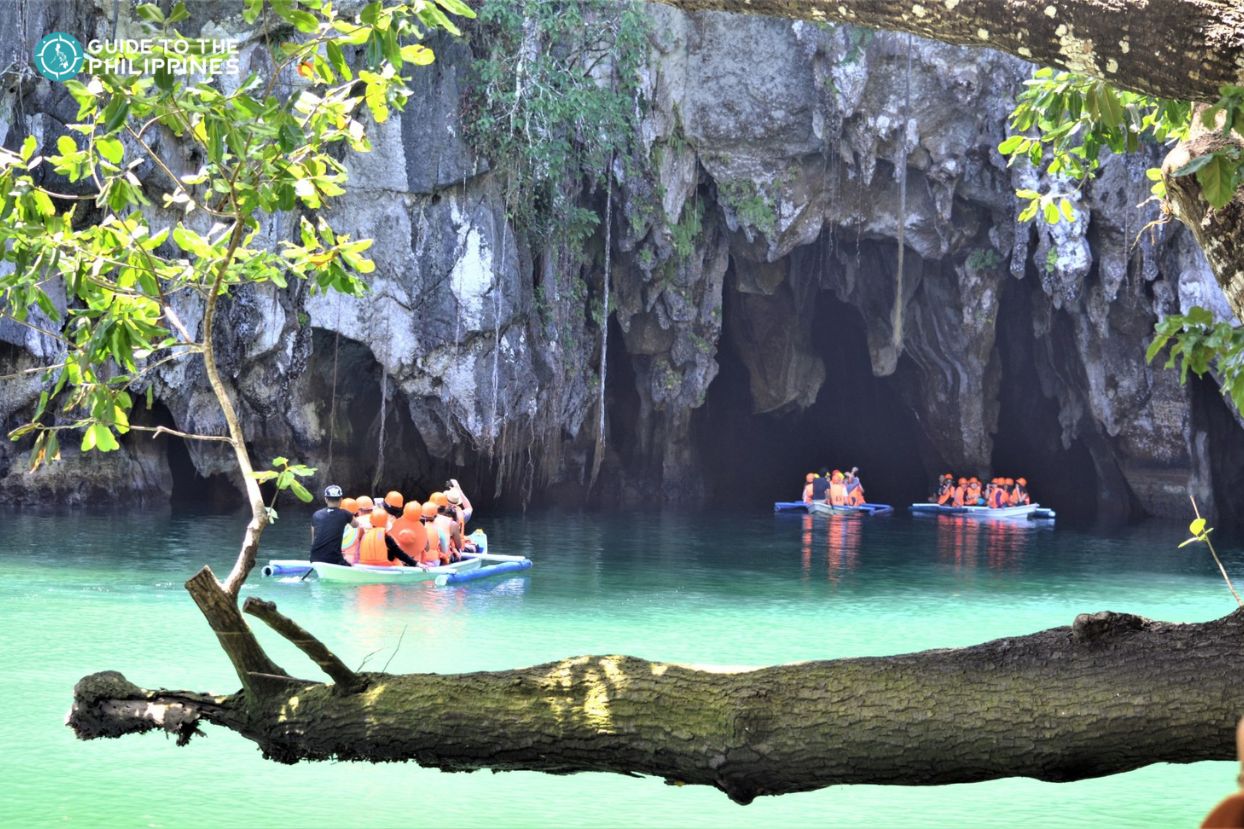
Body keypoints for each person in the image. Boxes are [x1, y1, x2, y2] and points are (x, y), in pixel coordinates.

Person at [308, 485, 358, 566]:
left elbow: (314, 540)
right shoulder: (345, 514)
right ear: (341, 499)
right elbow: (356, 525)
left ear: (326, 499)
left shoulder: (316, 515)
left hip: (314, 557)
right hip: (333, 559)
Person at [356, 511, 421, 567]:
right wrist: (415, 563)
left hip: (365, 565)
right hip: (384, 566)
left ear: (371, 522)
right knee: (395, 557)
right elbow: (399, 553)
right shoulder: (386, 538)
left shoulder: (365, 535)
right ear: (386, 523)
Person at [422, 501, 452, 565]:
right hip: (433, 561)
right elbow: (444, 550)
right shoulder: (438, 529)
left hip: (418, 560)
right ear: (435, 516)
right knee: (445, 557)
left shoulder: (415, 526)